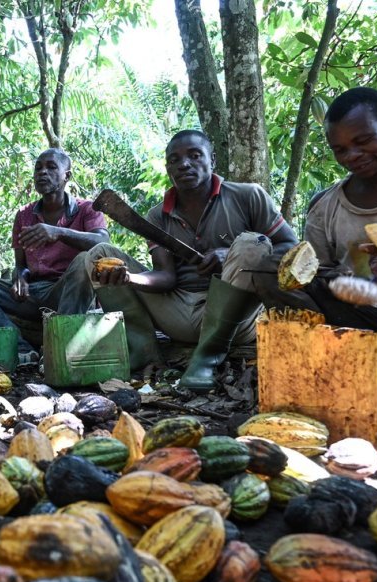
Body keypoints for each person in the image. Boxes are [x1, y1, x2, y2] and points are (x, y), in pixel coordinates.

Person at [80, 130, 297, 391]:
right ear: (168, 168)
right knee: (98, 254)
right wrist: (129, 278)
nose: (184, 164)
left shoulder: (248, 196)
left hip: (237, 318)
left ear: (212, 160)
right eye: (174, 160)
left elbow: (291, 246)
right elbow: (166, 277)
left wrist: (229, 256)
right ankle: (142, 352)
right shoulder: (157, 215)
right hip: (181, 312)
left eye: (195, 156)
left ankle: (206, 359)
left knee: (253, 243)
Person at [259, 87, 377, 332]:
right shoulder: (325, 207)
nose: (353, 155)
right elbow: (315, 273)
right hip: (358, 314)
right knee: (270, 269)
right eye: (340, 150)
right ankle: (337, 347)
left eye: (363, 141)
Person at [0, 148, 110, 362]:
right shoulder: (24, 215)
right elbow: (20, 265)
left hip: (67, 294)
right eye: (38, 167)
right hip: (32, 295)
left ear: (67, 176)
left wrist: (57, 232)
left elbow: (103, 242)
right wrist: (20, 277)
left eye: (51, 167)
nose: (42, 172)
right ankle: (20, 347)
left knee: (85, 259)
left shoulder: (87, 209)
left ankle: (58, 348)